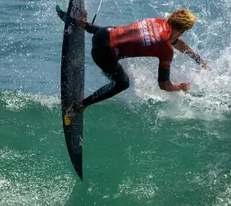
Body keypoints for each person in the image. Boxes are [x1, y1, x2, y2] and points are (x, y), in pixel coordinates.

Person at [58, 8, 207, 121]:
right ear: (181, 30)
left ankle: (82, 24)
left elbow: (174, 41)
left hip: (101, 34)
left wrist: (197, 58)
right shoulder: (166, 50)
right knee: (123, 83)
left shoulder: (157, 21)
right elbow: (164, 85)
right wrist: (180, 87)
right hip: (102, 55)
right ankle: (81, 106)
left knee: (120, 33)